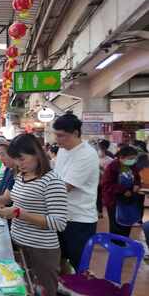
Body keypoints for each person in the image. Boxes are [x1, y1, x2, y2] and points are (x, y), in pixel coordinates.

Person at [0, 134, 68, 296]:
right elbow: (6, 198)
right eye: (16, 159)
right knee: (22, 289)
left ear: (36, 154)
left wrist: (19, 213)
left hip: (41, 251)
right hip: (17, 245)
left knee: (43, 291)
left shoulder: (52, 181)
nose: (19, 164)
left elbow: (59, 223)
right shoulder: (20, 176)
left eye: (22, 159)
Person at [52, 113, 100, 273]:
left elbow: (65, 186)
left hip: (79, 220)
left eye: (61, 136)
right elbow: (56, 178)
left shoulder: (87, 154)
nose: (57, 140)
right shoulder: (64, 150)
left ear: (75, 133)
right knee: (59, 260)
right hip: (61, 216)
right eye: (56, 135)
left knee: (79, 265)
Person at [101, 146, 142, 237]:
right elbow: (106, 185)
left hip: (128, 200)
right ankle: (116, 246)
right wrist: (123, 190)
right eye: (131, 158)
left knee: (127, 224)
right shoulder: (112, 167)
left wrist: (137, 184)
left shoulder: (133, 166)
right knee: (116, 226)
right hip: (114, 201)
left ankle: (124, 242)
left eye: (134, 158)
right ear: (121, 157)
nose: (133, 160)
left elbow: (137, 178)